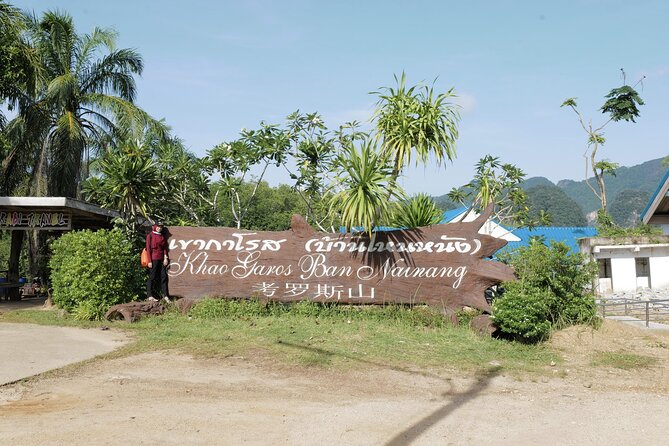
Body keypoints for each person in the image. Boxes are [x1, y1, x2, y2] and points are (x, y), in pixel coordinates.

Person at [146, 221, 170, 302]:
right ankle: (150, 295)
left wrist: (165, 257)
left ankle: (165, 295)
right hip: (153, 258)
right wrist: (149, 261)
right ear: (155, 226)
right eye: (158, 226)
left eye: (161, 227)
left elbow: (164, 248)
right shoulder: (150, 236)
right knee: (152, 277)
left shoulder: (162, 236)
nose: (160, 228)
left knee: (164, 276)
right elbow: (148, 249)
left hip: (162, 259)